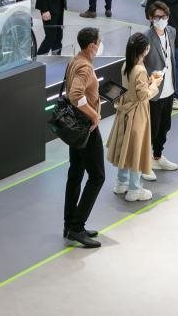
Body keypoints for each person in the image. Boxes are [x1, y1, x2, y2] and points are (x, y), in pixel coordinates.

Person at [63, 28, 105, 248]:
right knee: (97, 176)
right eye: (99, 42)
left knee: (76, 173)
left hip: (75, 127)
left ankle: (69, 225)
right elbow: (75, 94)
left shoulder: (75, 60)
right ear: (92, 46)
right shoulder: (85, 67)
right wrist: (94, 114)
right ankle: (77, 227)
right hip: (86, 128)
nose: (100, 45)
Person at [108, 33, 159, 202]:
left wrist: (148, 81)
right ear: (144, 50)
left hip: (125, 110)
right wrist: (155, 85)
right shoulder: (140, 69)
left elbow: (133, 88)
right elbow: (143, 96)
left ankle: (121, 182)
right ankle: (135, 189)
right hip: (137, 113)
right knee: (136, 149)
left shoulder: (126, 65)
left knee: (125, 148)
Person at [142, 1, 178, 178]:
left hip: (169, 88)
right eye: (158, 17)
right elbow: (139, 64)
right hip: (154, 91)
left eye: (164, 17)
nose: (162, 20)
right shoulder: (145, 38)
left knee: (165, 127)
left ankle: (157, 157)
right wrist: (149, 79)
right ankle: (143, 164)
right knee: (151, 129)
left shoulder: (171, 32)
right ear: (150, 18)